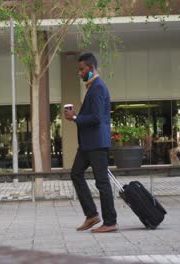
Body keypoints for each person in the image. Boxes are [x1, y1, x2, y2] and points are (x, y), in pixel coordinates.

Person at [64, 53, 117, 233]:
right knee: (76, 174)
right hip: (88, 144)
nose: (79, 73)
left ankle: (110, 222)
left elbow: (96, 117)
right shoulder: (92, 87)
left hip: (96, 143)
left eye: (81, 69)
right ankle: (92, 215)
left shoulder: (98, 88)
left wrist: (75, 117)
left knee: (102, 182)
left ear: (91, 68)